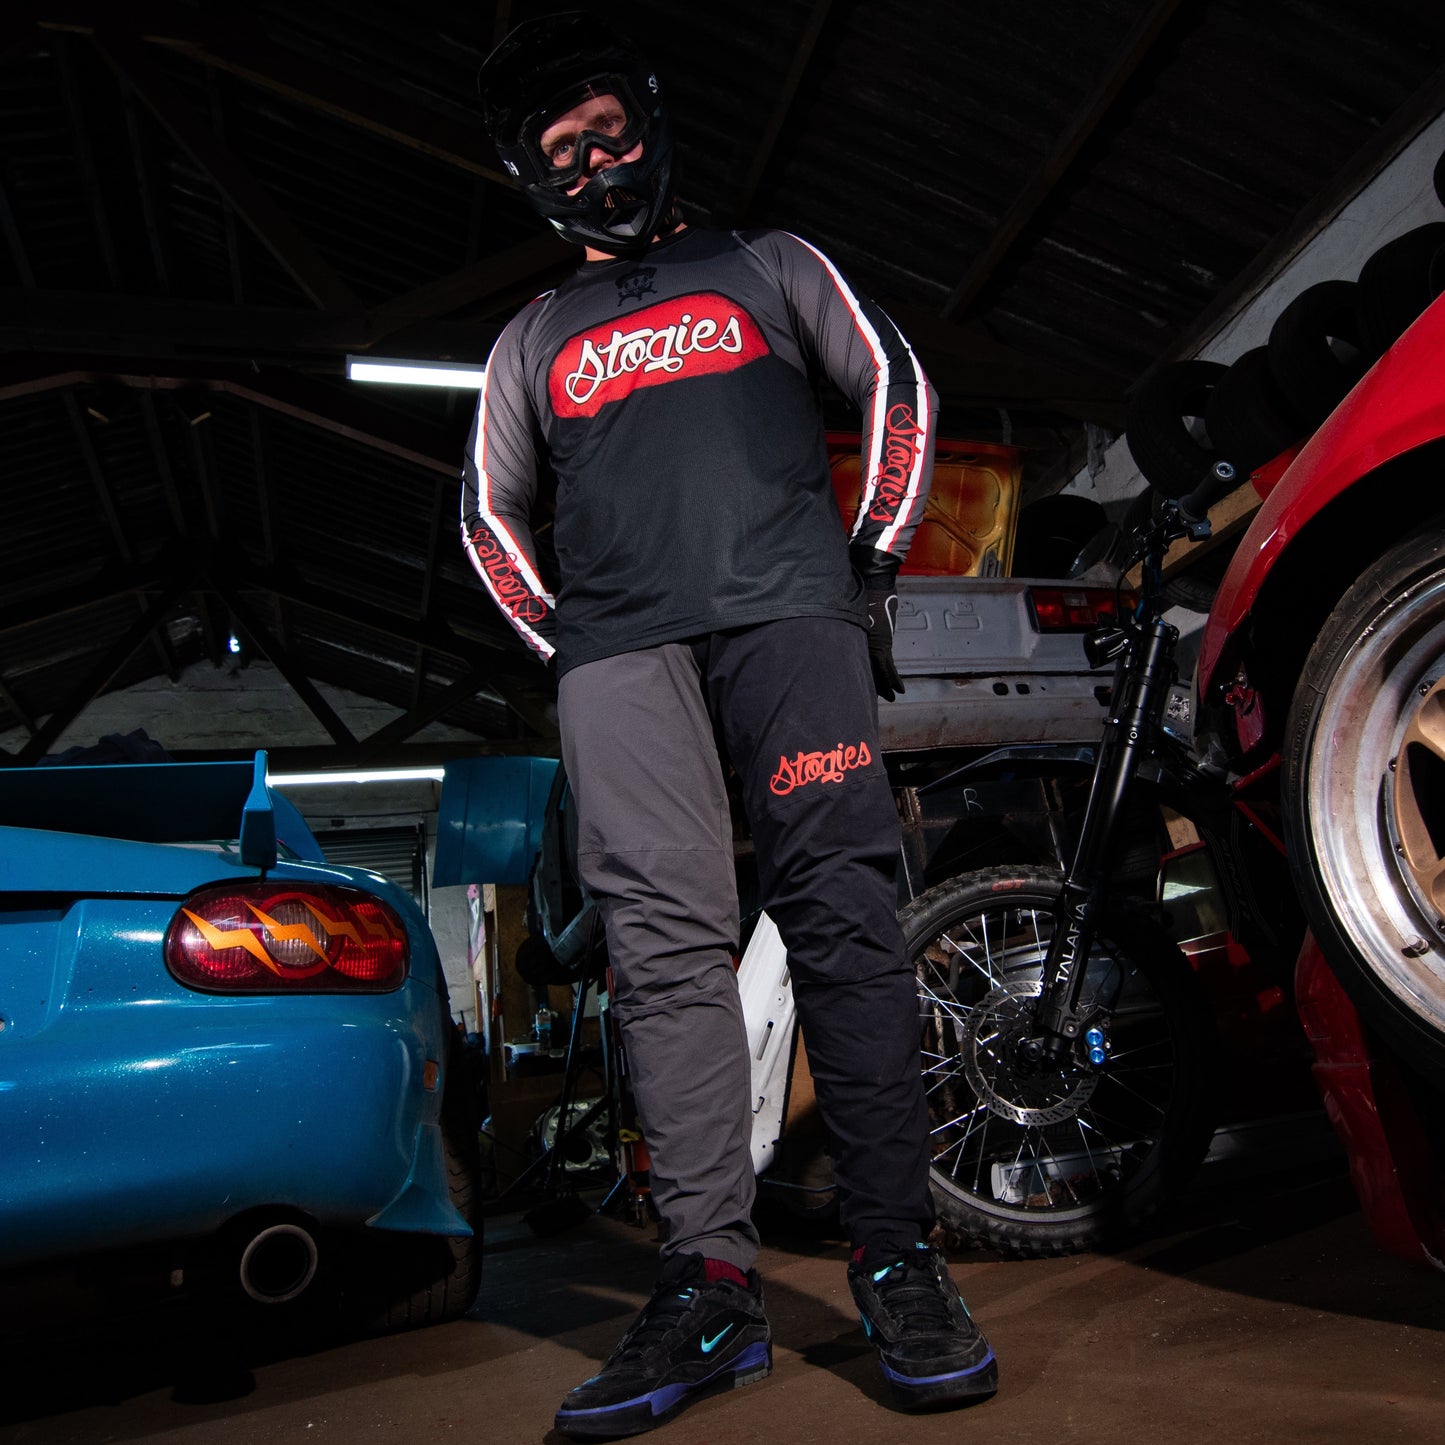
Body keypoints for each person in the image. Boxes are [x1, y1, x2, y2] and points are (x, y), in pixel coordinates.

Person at [465, 12, 998, 1437]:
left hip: (787, 621)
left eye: (609, 132)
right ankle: (707, 1287)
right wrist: (570, 648)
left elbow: (893, 383)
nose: (596, 164)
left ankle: (897, 1259)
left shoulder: (767, 262)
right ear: (532, 177)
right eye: (563, 150)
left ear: (651, 127)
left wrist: (866, 563)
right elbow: (487, 513)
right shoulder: (531, 338)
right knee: (663, 953)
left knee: (843, 918)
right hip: (618, 658)